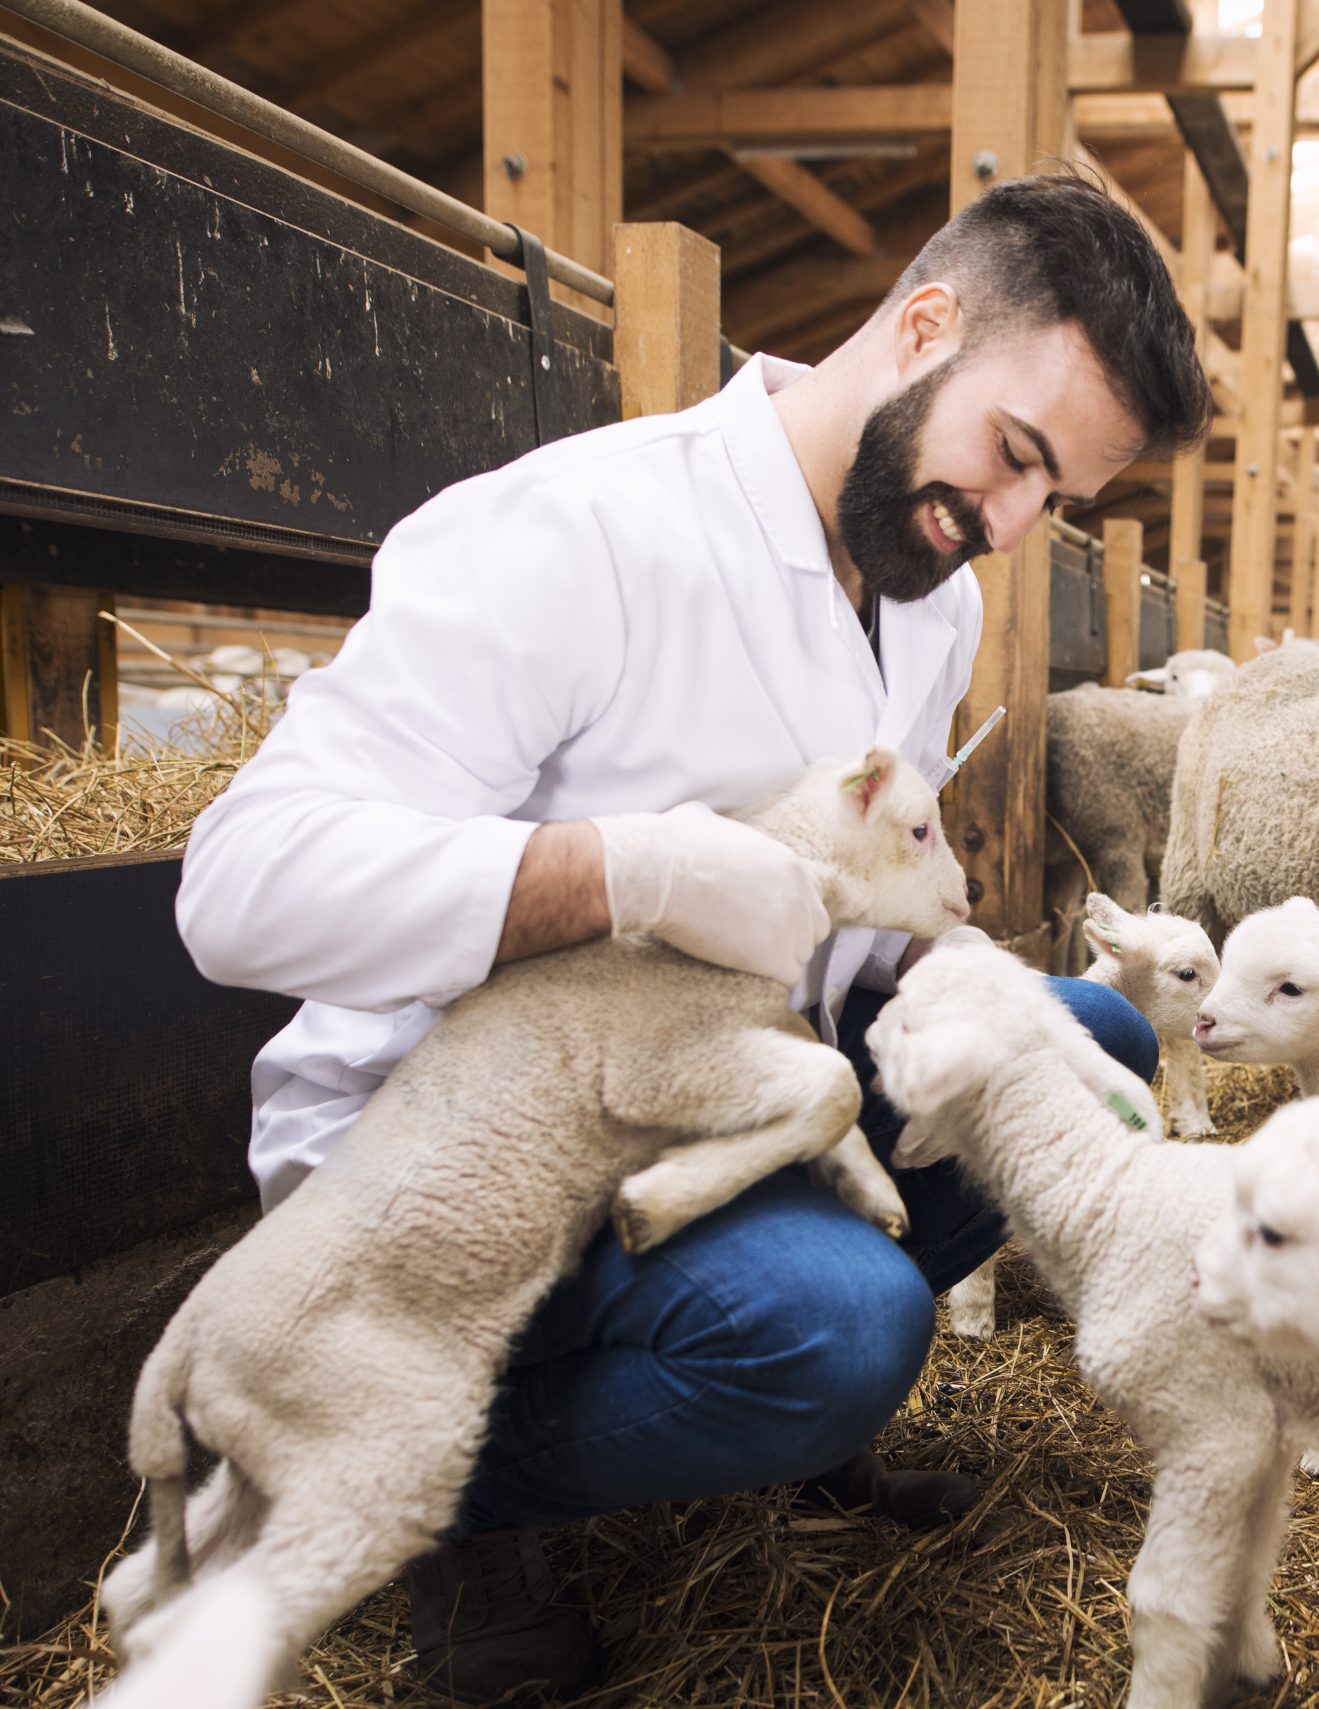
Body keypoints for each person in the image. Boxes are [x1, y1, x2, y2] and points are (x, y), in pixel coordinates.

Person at [174, 171, 1213, 1703]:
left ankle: (749, 1415)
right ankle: (416, 1486)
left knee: (1089, 1045)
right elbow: (240, 886)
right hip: (466, 1152)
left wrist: (940, 957)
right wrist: (624, 871)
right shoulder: (580, 529)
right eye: (1012, 456)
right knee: (842, 1328)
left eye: (1052, 500)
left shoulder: (927, 592)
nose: (1007, 523)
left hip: (713, 1075)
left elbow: (847, 913)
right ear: (923, 325)